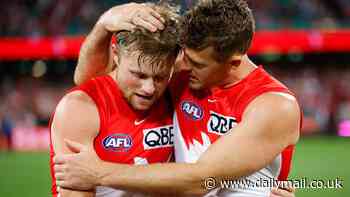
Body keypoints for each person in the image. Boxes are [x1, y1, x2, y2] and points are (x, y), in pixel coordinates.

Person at [54, 0, 301, 196]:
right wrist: (104, 25)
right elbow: (94, 83)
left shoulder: (274, 105)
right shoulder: (186, 76)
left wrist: (98, 173)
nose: (182, 65)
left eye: (196, 63)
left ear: (233, 62)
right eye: (184, 56)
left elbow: (202, 180)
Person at [49, 2, 181, 197]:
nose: (149, 88)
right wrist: (104, 23)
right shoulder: (80, 108)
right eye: (139, 75)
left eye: (160, 77)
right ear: (116, 55)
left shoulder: (178, 91)